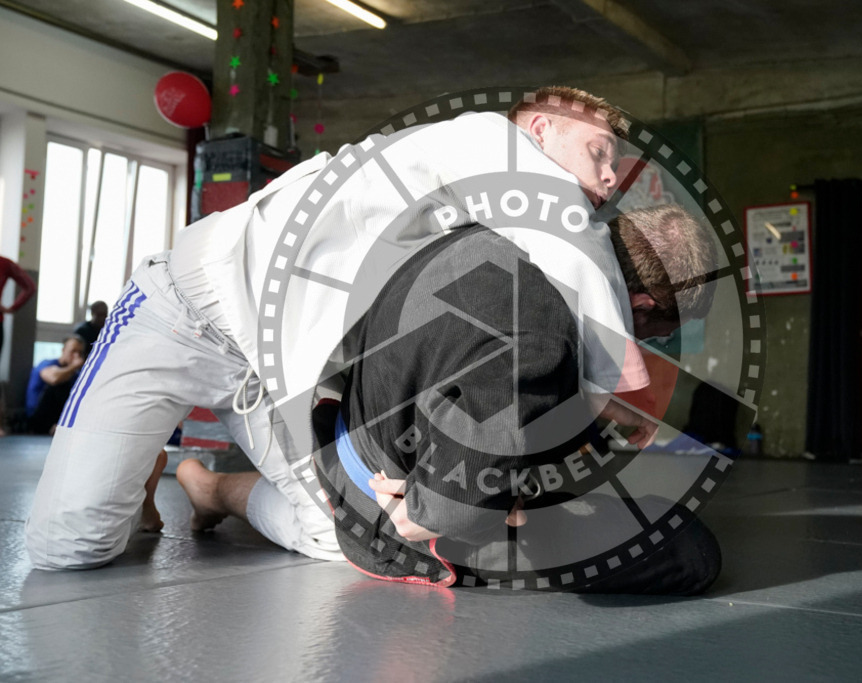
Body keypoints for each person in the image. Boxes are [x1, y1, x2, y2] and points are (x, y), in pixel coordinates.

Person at [25, 86, 655, 570]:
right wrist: (620, 391)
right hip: (179, 310)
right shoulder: (489, 143)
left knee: (346, 534)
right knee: (71, 545)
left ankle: (207, 485)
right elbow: (572, 236)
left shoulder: (490, 234)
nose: (608, 177)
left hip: (271, 365)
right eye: (600, 153)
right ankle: (133, 464)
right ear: (540, 128)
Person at [181, 204, 724, 594]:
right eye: (654, 330)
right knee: (686, 546)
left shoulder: (504, 232)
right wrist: (479, 504)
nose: (645, 344)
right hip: (391, 514)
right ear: (642, 301)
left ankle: (213, 489)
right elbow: (444, 514)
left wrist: (584, 409)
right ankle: (212, 487)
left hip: (348, 419)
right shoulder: (538, 343)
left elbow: (467, 358)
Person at [25, 335, 85, 435]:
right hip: (37, 417)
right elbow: (54, 379)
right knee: (60, 385)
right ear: (63, 350)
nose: (76, 356)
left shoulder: (76, 374)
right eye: (73, 351)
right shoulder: (47, 363)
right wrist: (73, 367)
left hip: (57, 417)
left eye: (80, 353)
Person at [0, 255, 37, 359]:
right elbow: (30, 287)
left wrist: (12, 308)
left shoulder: (5, 264)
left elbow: (30, 287)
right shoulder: (5, 263)